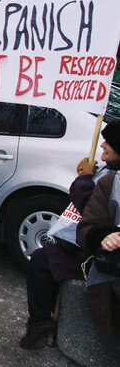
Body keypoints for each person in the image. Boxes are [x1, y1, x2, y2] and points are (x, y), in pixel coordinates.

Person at [76, 120, 120, 334]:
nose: (102, 146)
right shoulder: (110, 179)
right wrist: (104, 237)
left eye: (108, 142)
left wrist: (84, 179)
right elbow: (89, 222)